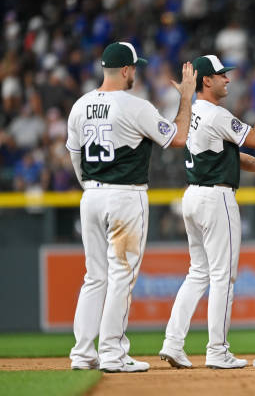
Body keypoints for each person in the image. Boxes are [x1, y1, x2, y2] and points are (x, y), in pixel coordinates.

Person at [67, 42, 197, 372]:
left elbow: (75, 157)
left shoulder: (80, 106)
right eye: (134, 68)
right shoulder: (135, 106)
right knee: (121, 276)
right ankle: (112, 353)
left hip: (91, 196)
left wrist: (92, 188)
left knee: (94, 277)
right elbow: (178, 137)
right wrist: (186, 98)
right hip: (124, 197)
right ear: (125, 70)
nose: (135, 74)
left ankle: (82, 354)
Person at [159, 55, 255, 369]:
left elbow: (234, 156)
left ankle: (173, 343)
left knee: (198, 274)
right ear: (207, 81)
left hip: (192, 196)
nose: (228, 79)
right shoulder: (215, 114)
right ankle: (217, 350)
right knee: (223, 278)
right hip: (216, 198)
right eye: (222, 75)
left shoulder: (193, 113)